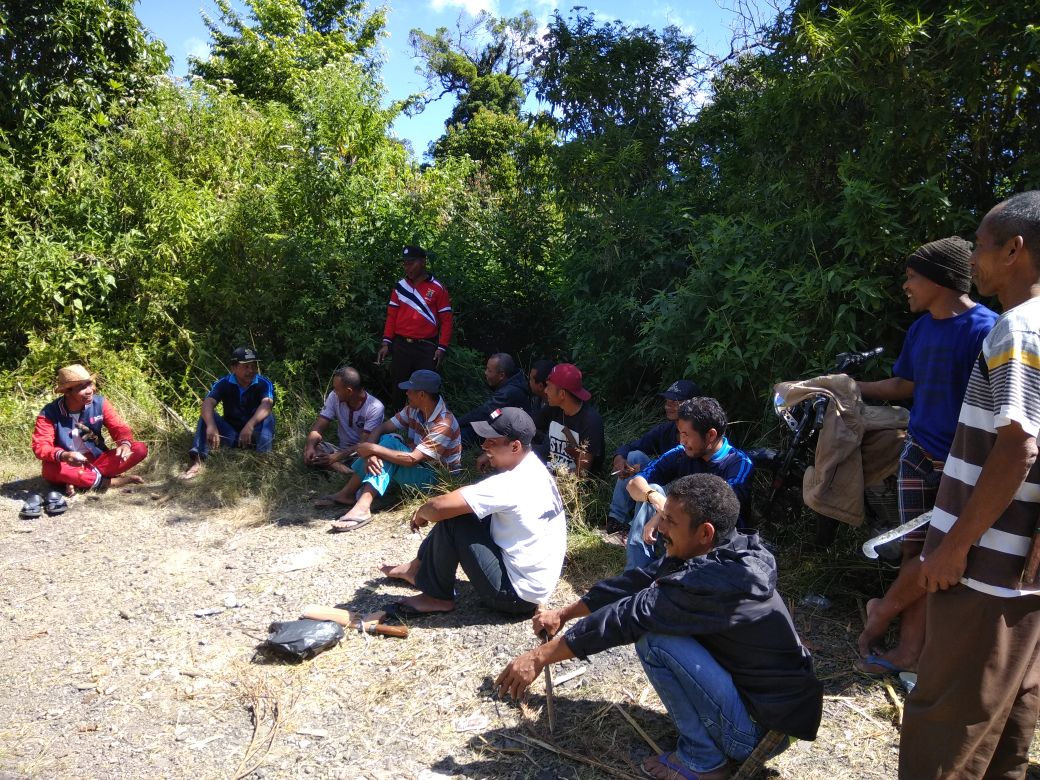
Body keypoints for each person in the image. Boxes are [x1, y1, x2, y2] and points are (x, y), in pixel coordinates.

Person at [496, 474, 822, 780]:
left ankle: (703, 760)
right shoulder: (728, 550)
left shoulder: (712, 581)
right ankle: (713, 738)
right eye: (663, 516)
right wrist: (564, 614)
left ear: (705, 532)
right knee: (656, 624)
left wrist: (539, 657)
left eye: (670, 521)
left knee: (653, 638)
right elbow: (637, 581)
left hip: (759, 732)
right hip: (773, 714)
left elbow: (629, 616)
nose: (660, 527)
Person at [900, 191, 1040, 780]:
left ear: (1015, 249)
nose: (974, 259)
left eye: (982, 246)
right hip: (1022, 569)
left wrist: (954, 544)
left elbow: (1018, 445)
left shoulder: (1016, 328)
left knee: (947, 717)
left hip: (985, 564)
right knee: (1007, 711)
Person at [854, 237, 997, 676]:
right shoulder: (921, 329)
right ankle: (910, 652)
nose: (906, 286)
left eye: (913, 277)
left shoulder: (986, 329)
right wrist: (847, 387)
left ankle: (882, 615)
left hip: (963, 463)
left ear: (939, 279)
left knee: (939, 555)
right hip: (918, 451)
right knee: (915, 551)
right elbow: (904, 386)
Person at [378, 407, 566, 616]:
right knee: (466, 508)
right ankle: (417, 568)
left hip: (515, 595)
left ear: (515, 446)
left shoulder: (511, 483)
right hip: (536, 585)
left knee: (455, 518)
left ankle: (436, 597)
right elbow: (474, 493)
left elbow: (439, 507)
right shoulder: (534, 466)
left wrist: (421, 512)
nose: (484, 446)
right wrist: (493, 455)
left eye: (491, 442)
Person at [625, 397, 753, 571]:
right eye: (680, 433)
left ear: (711, 435)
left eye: (686, 434)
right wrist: (657, 501)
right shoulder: (681, 453)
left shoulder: (739, 464)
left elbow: (714, 513)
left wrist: (663, 515)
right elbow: (634, 483)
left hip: (716, 549)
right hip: (679, 536)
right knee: (652, 490)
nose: (681, 441)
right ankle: (636, 574)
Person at [325, 369, 462, 532]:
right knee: (388, 441)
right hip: (418, 467)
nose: (407, 393)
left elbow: (412, 459)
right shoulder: (415, 409)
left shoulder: (444, 423)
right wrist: (371, 453)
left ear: (422, 395)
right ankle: (349, 495)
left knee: (389, 443)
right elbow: (382, 427)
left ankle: (361, 505)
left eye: (410, 390)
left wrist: (373, 449)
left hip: (435, 480)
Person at [31, 364, 149, 495]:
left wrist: (124, 444)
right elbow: (40, 446)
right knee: (50, 469)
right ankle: (109, 482)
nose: (90, 390)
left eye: (89, 384)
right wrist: (65, 455)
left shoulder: (100, 403)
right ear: (67, 392)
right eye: (82, 387)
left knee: (139, 449)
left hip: (96, 459)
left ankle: (79, 481)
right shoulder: (49, 413)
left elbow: (118, 427)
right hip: (67, 463)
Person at [608, 379, 702, 535]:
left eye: (675, 402)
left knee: (654, 488)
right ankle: (616, 520)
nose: (668, 406)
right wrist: (620, 459)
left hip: (683, 489)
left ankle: (635, 529)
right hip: (661, 477)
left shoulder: (700, 436)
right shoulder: (666, 430)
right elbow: (631, 446)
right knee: (634, 456)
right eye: (667, 401)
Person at [375, 245, 452, 408]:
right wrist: (386, 343)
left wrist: (442, 348)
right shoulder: (400, 287)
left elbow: (446, 320)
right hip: (401, 345)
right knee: (398, 387)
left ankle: (426, 425)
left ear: (423, 262)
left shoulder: (437, 288)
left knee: (426, 388)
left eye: (411, 263)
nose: (407, 267)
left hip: (426, 347)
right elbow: (391, 316)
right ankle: (397, 423)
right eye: (405, 263)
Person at [181, 346, 275, 479]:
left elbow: (267, 404)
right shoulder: (224, 383)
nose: (251, 370)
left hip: (254, 435)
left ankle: (263, 460)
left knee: (268, 417)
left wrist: (250, 425)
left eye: (254, 366)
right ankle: (198, 461)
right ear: (234, 368)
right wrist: (212, 426)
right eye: (246, 366)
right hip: (231, 435)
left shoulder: (264, 383)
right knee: (207, 415)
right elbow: (207, 403)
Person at [304, 366, 385, 481]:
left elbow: (363, 445)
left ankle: (344, 473)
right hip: (340, 451)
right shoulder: (334, 397)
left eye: (337, 389)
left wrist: (336, 457)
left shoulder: (375, 408)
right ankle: (347, 472)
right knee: (312, 448)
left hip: (362, 454)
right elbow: (319, 427)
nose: (334, 392)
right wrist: (311, 447)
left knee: (367, 460)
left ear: (349, 391)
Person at [532, 363, 604, 477]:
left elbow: (582, 473)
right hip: (550, 467)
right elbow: (532, 425)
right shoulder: (553, 408)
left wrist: (548, 476)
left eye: (549, 387)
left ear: (562, 394)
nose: (545, 391)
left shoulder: (590, 422)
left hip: (571, 484)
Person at [457, 353, 530, 445]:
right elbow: (495, 412)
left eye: (489, 370)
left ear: (501, 375)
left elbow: (484, 412)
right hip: (502, 426)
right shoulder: (513, 383)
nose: (485, 373)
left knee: (461, 434)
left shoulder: (508, 392)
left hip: (510, 436)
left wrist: (456, 423)